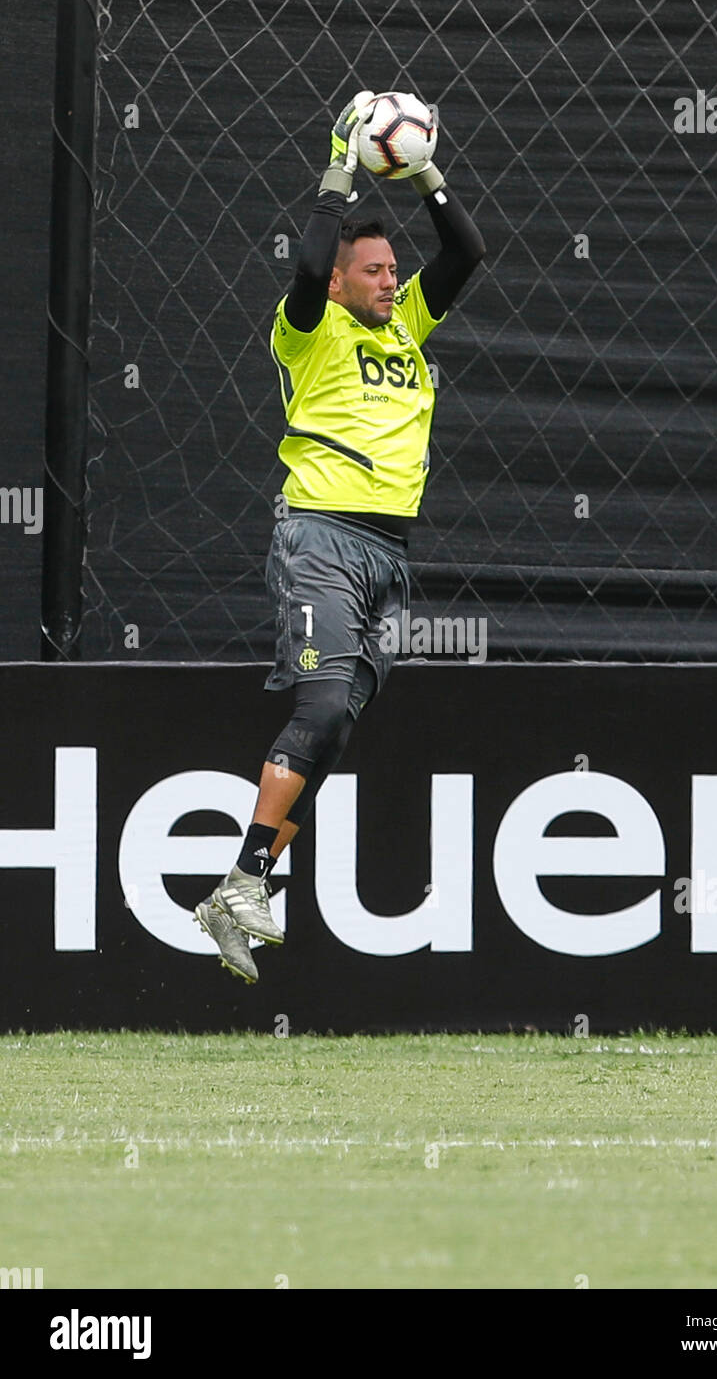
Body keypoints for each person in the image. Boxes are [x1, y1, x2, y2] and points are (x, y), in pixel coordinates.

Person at [194, 89, 486, 983]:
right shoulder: (307, 330)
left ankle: (240, 888)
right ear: (336, 283)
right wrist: (342, 164)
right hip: (320, 537)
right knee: (318, 709)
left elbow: (467, 250)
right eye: (373, 271)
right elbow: (312, 255)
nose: (390, 280)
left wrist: (426, 167)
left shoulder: (408, 323)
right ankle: (243, 880)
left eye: (393, 269)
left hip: (385, 559)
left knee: (335, 733)